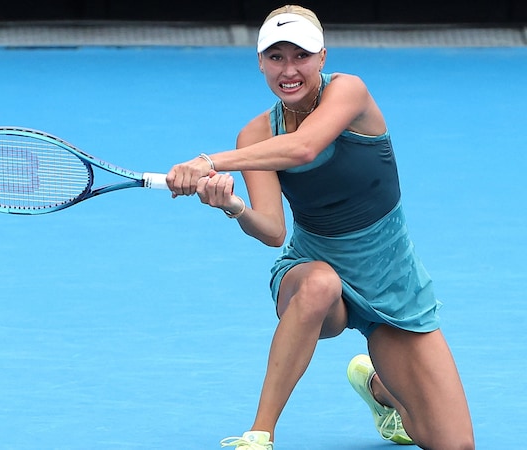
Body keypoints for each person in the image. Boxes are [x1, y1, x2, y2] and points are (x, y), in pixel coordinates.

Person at [166, 5, 474, 450]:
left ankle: (381, 390)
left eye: (301, 56)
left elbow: (305, 148)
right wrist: (233, 207)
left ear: (322, 57)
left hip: (392, 283)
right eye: (276, 58)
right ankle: (260, 433)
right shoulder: (254, 135)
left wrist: (208, 162)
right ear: (260, 63)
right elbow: (272, 230)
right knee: (320, 284)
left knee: (453, 443)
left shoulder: (351, 92)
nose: (289, 70)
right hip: (312, 271)